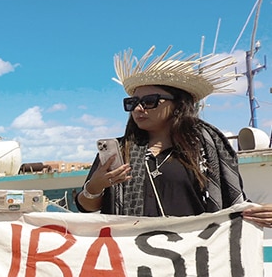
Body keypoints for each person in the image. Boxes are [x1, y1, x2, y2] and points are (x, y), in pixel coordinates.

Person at [77, 46, 272, 226]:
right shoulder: (118, 151)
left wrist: (261, 213)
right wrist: (94, 187)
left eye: (149, 101)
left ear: (178, 104)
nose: (138, 108)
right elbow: (86, 207)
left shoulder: (206, 151)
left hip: (192, 256)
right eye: (132, 102)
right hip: (133, 258)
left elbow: (232, 204)